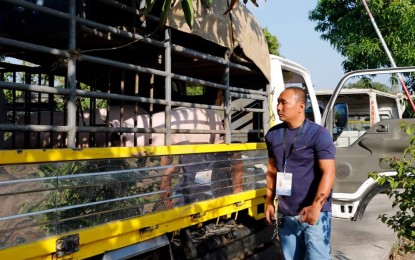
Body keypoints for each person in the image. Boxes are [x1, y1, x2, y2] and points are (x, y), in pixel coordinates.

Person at [264, 87, 336, 259]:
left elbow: (329, 172)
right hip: (287, 214)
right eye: (278, 102)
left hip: (314, 214)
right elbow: (272, 170)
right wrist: (269, 201)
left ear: (301, 107)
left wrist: (316, 207)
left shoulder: (319, 134)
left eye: (284, 103)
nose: (278, 107)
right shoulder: (273, 135)